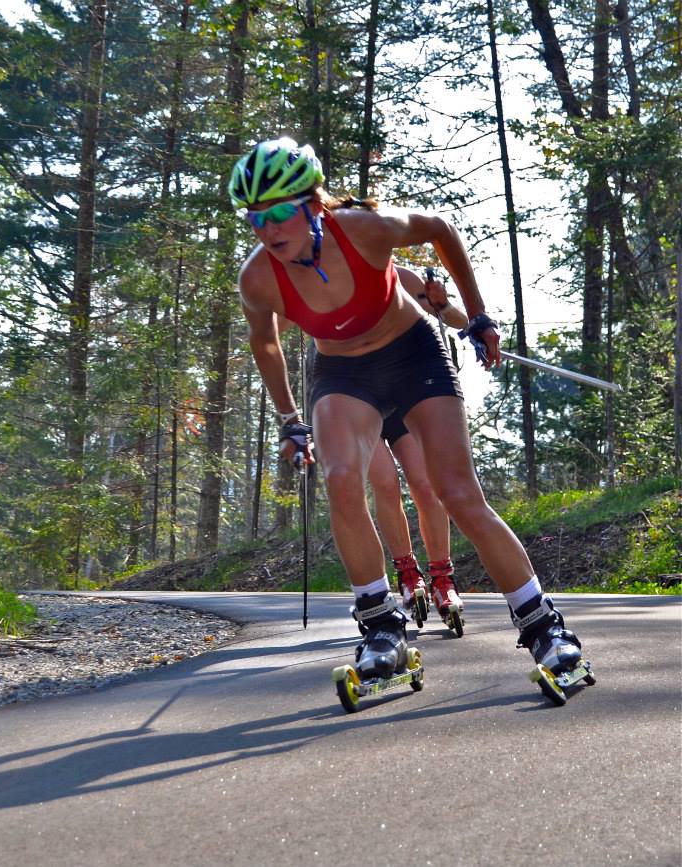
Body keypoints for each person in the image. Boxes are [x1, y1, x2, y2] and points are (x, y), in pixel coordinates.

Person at [231, 137, 587, 686]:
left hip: (411, 353)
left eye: (280, 213)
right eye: (256, 219)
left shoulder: (362, 230)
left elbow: (441, 229)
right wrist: (288, 418)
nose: (269, 229)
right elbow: (266, 343)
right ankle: (380, 627)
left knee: (457, 492)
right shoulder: (258, 278)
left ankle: (544, 626)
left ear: (313, 205)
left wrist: (478, 317)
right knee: (342, 478)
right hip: (343, 372)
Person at [367, 266, 467, 630]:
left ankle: (443, 578)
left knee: (424, 483)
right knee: (385, 482)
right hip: (357, 395)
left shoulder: (403, 277)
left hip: (402, 391)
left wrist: (441, 304)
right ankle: (408, 574)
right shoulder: (330, 273)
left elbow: (454, 317)